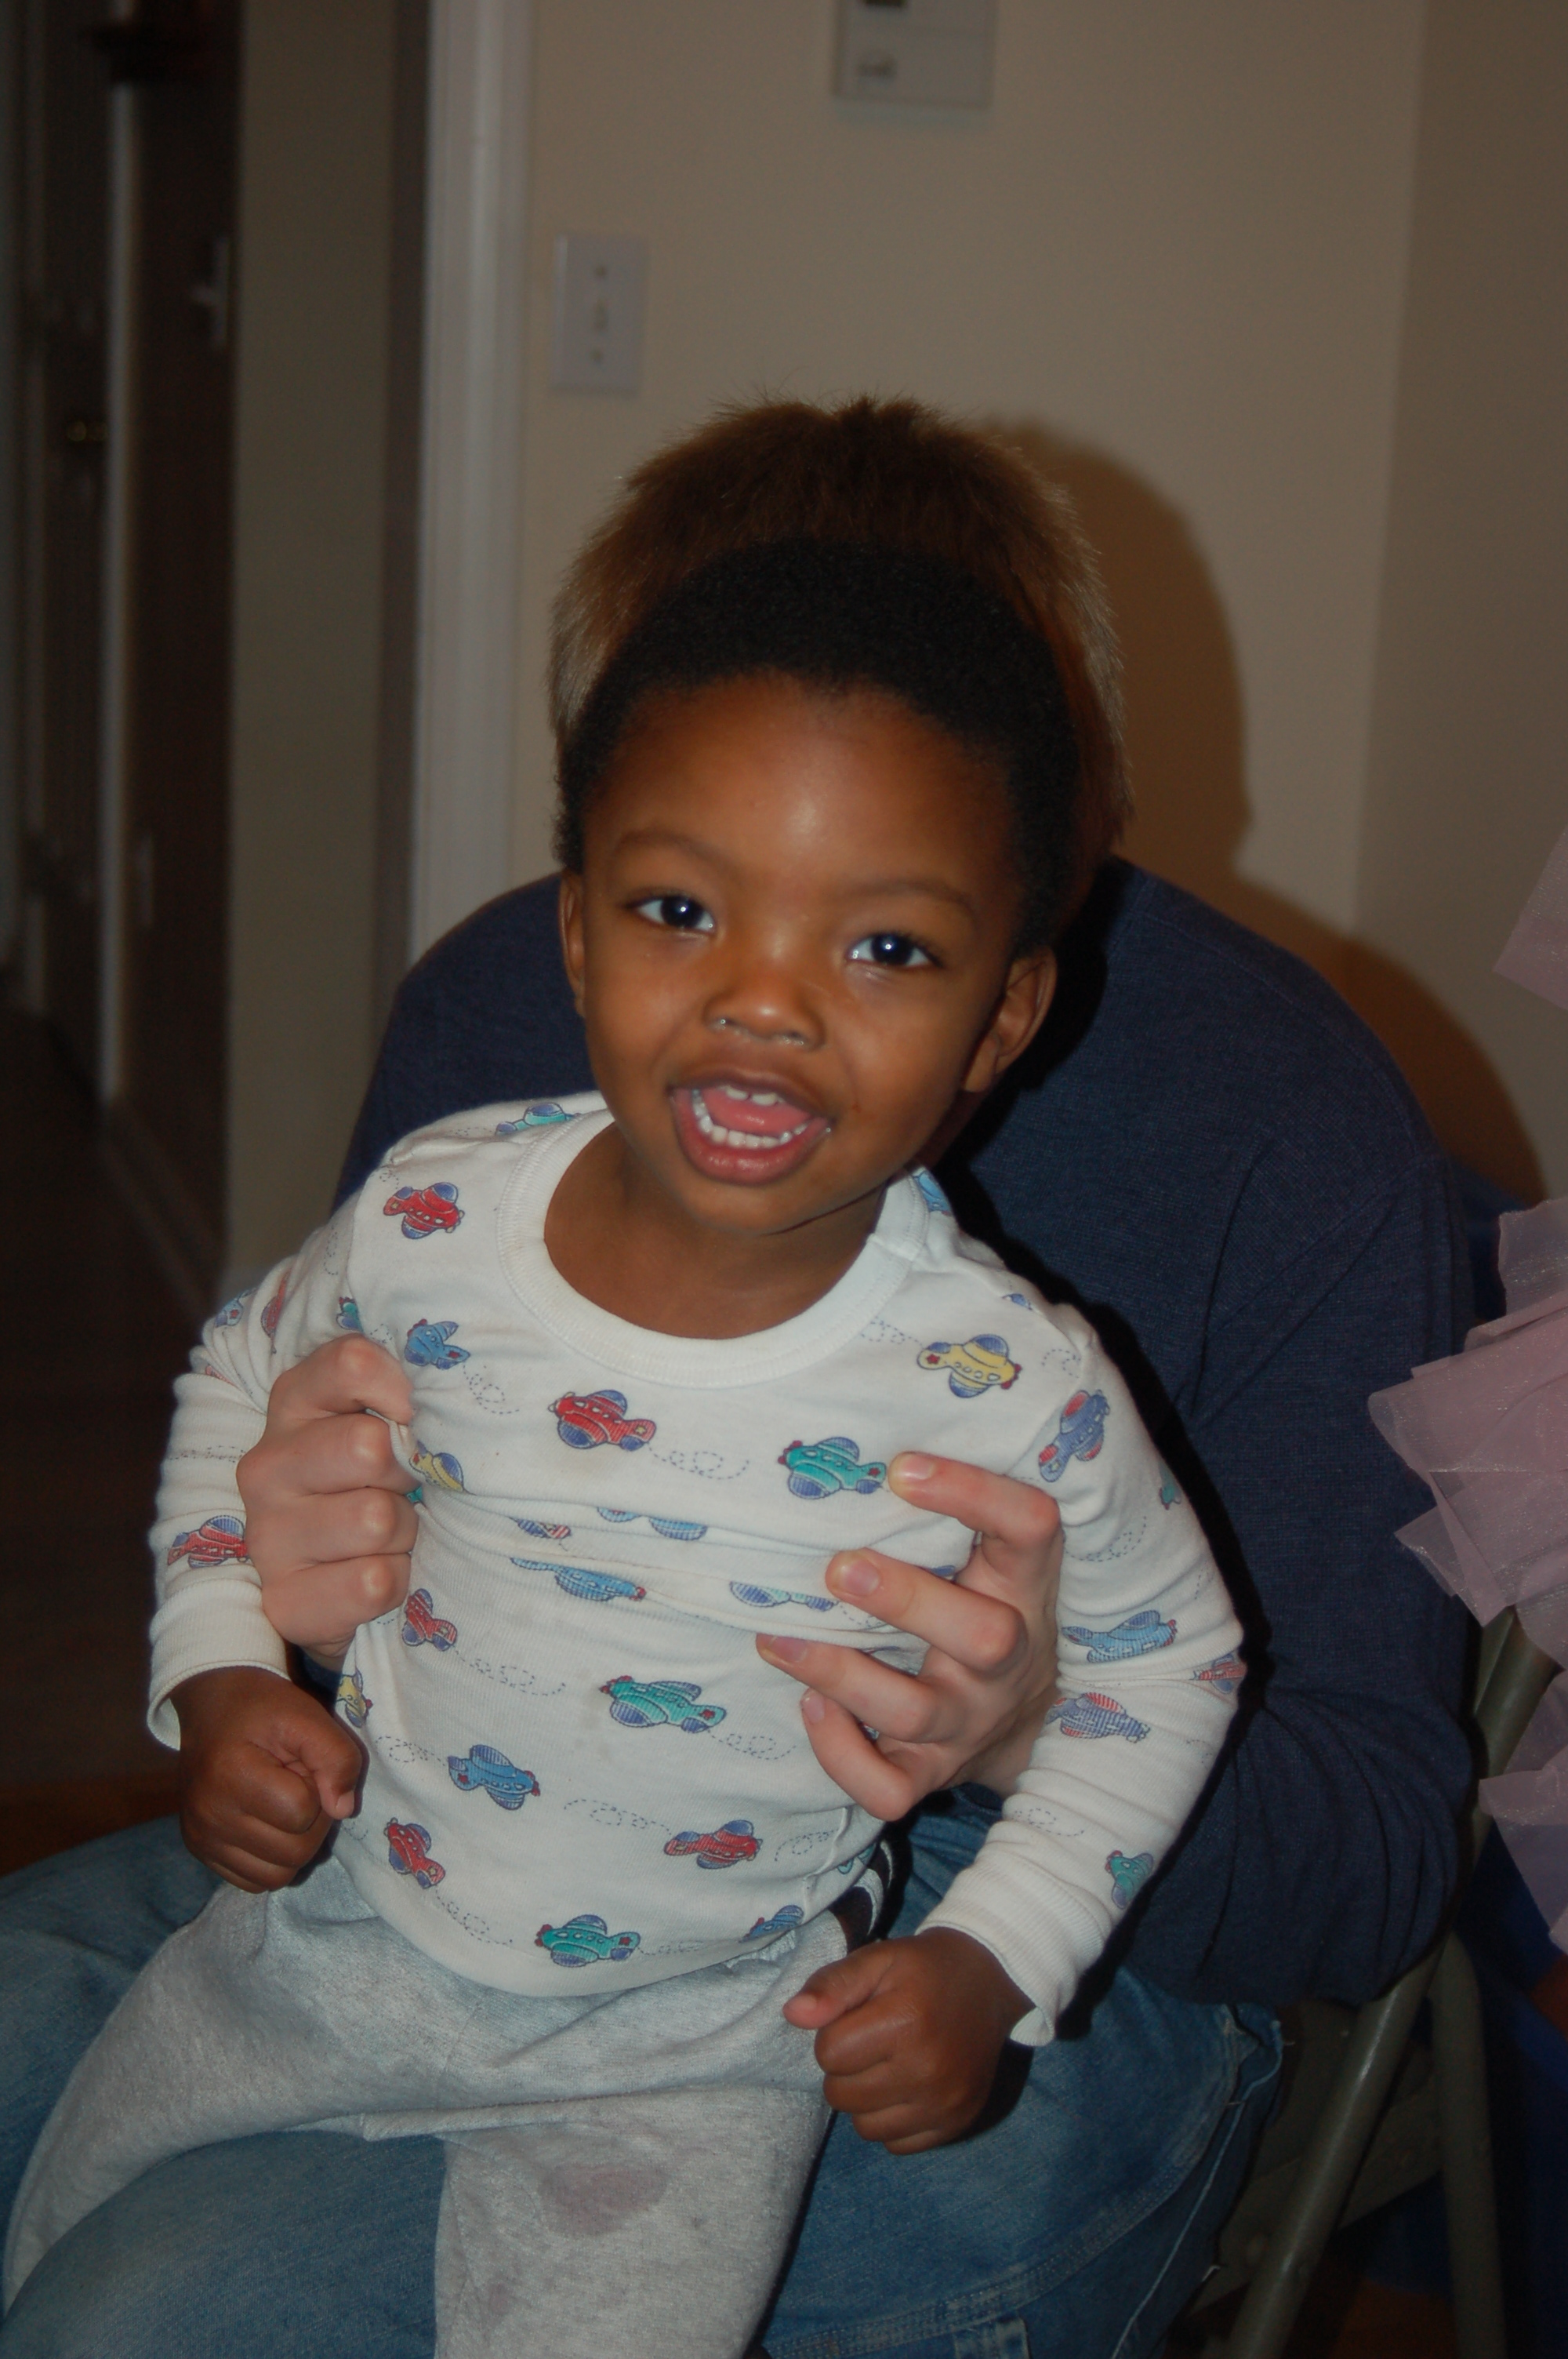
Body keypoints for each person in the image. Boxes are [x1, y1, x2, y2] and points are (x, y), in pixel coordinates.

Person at [0, 399, 1472, 2359]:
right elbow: (315, 1449)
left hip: (1023, 1942)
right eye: (681, 893)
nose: (758, 1000)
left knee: (158, 2311)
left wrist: (1028, 1745)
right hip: (456, 1852)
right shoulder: (490, 1034)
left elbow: (1364, 1863)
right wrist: (275, 1615)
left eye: (885, 924)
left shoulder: (1280, 1129)